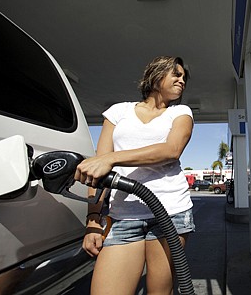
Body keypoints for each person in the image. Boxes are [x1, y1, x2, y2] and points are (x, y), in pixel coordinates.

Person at [74, 56, 195, 295]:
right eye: (176, 74)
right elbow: (98, 171)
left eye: (184, 78)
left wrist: (111, 159)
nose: (182, 81)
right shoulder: (118, 112)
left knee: (159, 291)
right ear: (156, 75)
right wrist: (92, 221)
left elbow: (171, 150)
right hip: (123, 216)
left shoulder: (181, 112)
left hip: (170, 213)